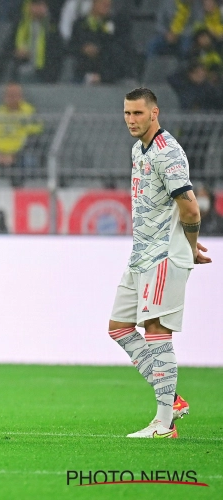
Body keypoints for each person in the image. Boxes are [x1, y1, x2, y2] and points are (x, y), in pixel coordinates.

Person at [109, 87, 212, 439]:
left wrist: (191, 246)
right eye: (127, 113)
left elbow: (191, 207)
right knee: (119, 327)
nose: (131, 120)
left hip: (165, 255)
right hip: (141, 254)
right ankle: (172, 399)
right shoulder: (138, 149)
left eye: (138, 113)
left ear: (155, 113)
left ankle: (164, 423)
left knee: (155, 329)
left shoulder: (168, 153)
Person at [0, 83, 43, 171]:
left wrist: (15, 156)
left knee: (28, 161)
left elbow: (34, 137)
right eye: (9, 95)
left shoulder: (29, 111)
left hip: (20, 154)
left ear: (21, 96)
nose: (11, 98)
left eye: (14, 95)